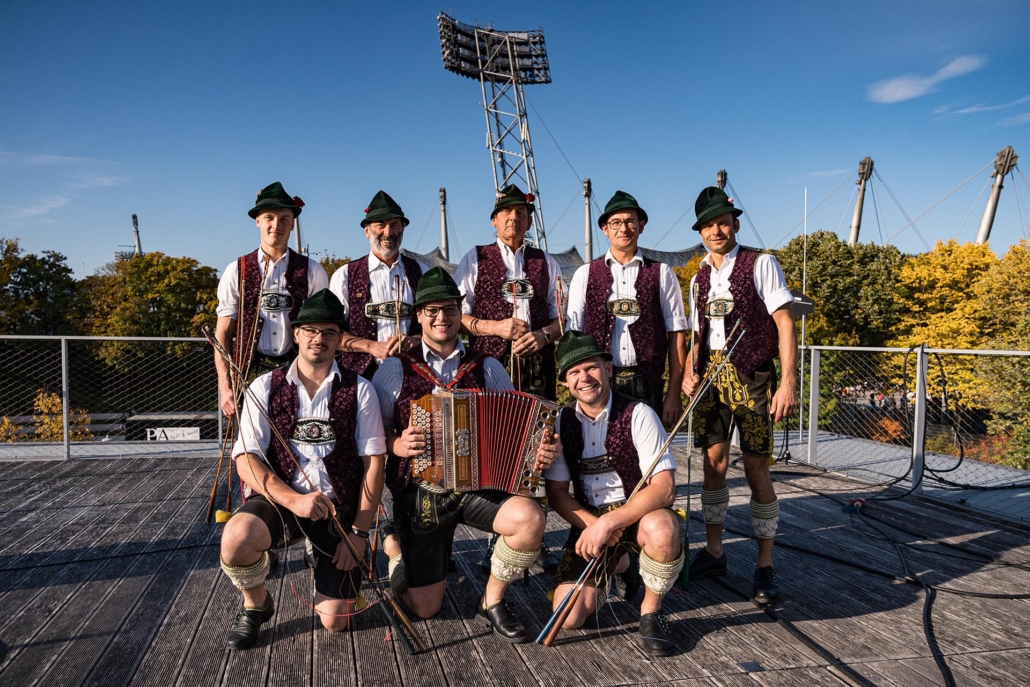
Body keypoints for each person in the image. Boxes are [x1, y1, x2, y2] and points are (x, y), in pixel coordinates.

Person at [372, 267, 557, 642]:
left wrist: (541, 450)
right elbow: (373, 436)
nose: (442, 318)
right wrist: (396, 444)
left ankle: (490, 600)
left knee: (530, 520)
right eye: (433, 310)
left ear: (461, 313)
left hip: (475, 489)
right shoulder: (395, 369)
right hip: (421, 492)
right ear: (419, 315)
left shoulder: (486, 366)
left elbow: (520, 430)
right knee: (425, 608)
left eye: (450, 309)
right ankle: (394, 549)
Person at [218, 289, 387, 649]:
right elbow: (246, 459)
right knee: (236, 539)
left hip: (338, 509)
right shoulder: (265, 386)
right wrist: (293, 501)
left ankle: (321, 552)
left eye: (329, 332)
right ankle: (256, 605)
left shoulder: (361, 390)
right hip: (284, 499)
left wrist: (359, 533)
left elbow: (374, 465)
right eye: (310, 330)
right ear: (296, 334)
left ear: (340, 340)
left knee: (336, 621)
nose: (318, 339)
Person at [681, 187, 797, 604]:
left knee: (755, 469)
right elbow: (699, 334)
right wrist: (688, 373)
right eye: (709, 224)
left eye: (722, 222)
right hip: (711, 377)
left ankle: (765, 565)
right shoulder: (697, 276)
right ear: (700, 230)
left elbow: (785, 323)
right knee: (713, 464)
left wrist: (787, 383)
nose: (716, 229)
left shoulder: (760, 264)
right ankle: (715, 551)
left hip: (753, 377)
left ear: (735, 224)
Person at [543, 331, 683, 656]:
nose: (584, 378)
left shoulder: (639, 413)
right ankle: (620, 565)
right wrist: (595, 525)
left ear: (608, 368)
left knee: (663, 529)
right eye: (574, 372)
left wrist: (611, 523)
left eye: (590, 367)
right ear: (565, 382)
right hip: (589, 519)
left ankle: (651, 612)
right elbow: (557, 493)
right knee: (569, 617)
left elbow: (665, 489)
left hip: (638, 514)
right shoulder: (561, 422)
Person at [566, 190, 687, 427]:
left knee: (650, 459)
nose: (624, 228)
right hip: (598, 385)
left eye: (631, 221)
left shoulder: (662, 273)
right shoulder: (585, 274)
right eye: (616, 222)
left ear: (641, 226)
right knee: (600, 456)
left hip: (649, 383)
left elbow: (677, 337)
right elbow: (573, 337)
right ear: (605, 228)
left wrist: (673, 395)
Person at [215, 182, 329, 417]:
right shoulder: (237, 270)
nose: (276, 225)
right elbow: (223, 334)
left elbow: (322, 331)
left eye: (284, 218)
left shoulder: (313, 271)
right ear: (258, 220)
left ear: (292, 223)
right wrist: (225, 386)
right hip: (247, 373)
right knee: (251, 447)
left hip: (299, 371)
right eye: (269, 217)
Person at [455, 184, 563, 400]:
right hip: (487, 367)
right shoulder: (475, 258)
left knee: (539, 432)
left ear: (529, 222)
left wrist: (543, 336)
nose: (513, 217)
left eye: (520, 213)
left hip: (538, 372)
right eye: (506, 211)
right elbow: (455, 318)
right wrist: (495, 327)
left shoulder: (547, 262)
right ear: (494, 220)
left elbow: (562, 319)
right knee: (492, 430)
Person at [329, 191, 430, 378]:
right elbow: (330, 334)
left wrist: (415, 340)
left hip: (415, 375)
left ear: (403, 229)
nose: (388, 232)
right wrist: (370, 346)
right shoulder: (344, 276)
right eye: (380, 225)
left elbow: (439, 325)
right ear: (367, 231)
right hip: (360, 378)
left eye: (394, 225)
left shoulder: (422, 272)